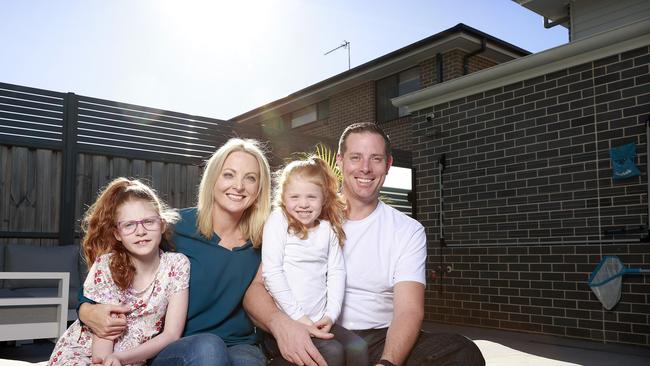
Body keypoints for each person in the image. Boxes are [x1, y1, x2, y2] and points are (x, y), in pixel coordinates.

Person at [245, 123, 486, 366]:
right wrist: (282, 325)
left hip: (379, 340)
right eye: (356, 157)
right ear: (340, 161)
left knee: (462, 352)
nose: (366, 168)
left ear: (388, 164)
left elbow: (408, 312)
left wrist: (387, 363)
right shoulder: (305, 216)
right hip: (314, 333)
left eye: (376, 159)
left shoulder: (407, 230)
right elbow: (256, 289)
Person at [78, 138, 274, 365]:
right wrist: (85, 310)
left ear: (260, 187)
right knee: (208, 349)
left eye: (250, 178)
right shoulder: (174, 226)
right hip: (176, 344)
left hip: (239, 343)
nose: (239, 186)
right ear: (213, 179)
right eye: (229, 174)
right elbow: (113, 263)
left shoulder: (265, 239)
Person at [49, 178, 189, 366]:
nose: (141, 231)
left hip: (131, 358)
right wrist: (108, 361)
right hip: (88, 353)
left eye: (149, 221)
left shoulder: (177, 265)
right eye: (129, 225)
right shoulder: (107, 266)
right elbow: (102, 339)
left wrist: (121, 359)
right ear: (117, 234)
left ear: (162, 225)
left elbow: (171, 334)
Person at [261, 157, 368, 366]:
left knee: (359, 348)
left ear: (323, 199)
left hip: (320, 321)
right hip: (289, 322)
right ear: (283, 197)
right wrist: (300, 318)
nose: (303, 204)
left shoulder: (328, 228)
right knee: (333, 352)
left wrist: (331, 315)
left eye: (311, 196)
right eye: (295, 196)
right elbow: (271, 273)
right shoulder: (278, 221)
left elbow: (337, 272)